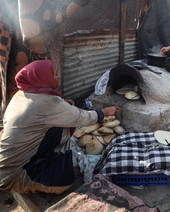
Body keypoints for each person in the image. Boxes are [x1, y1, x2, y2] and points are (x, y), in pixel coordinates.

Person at [0, 60, 120, 194]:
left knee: (60, 127)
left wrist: (63, 103)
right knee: (65, 182)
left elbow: (44, 110)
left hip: (6, 162)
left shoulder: (21, 94)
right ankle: (38, 179)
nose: (58, 76)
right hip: (15, 174)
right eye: (53, 73)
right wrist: (103, 112)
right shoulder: (49, 103)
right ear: (42, 77)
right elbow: (81, 117)